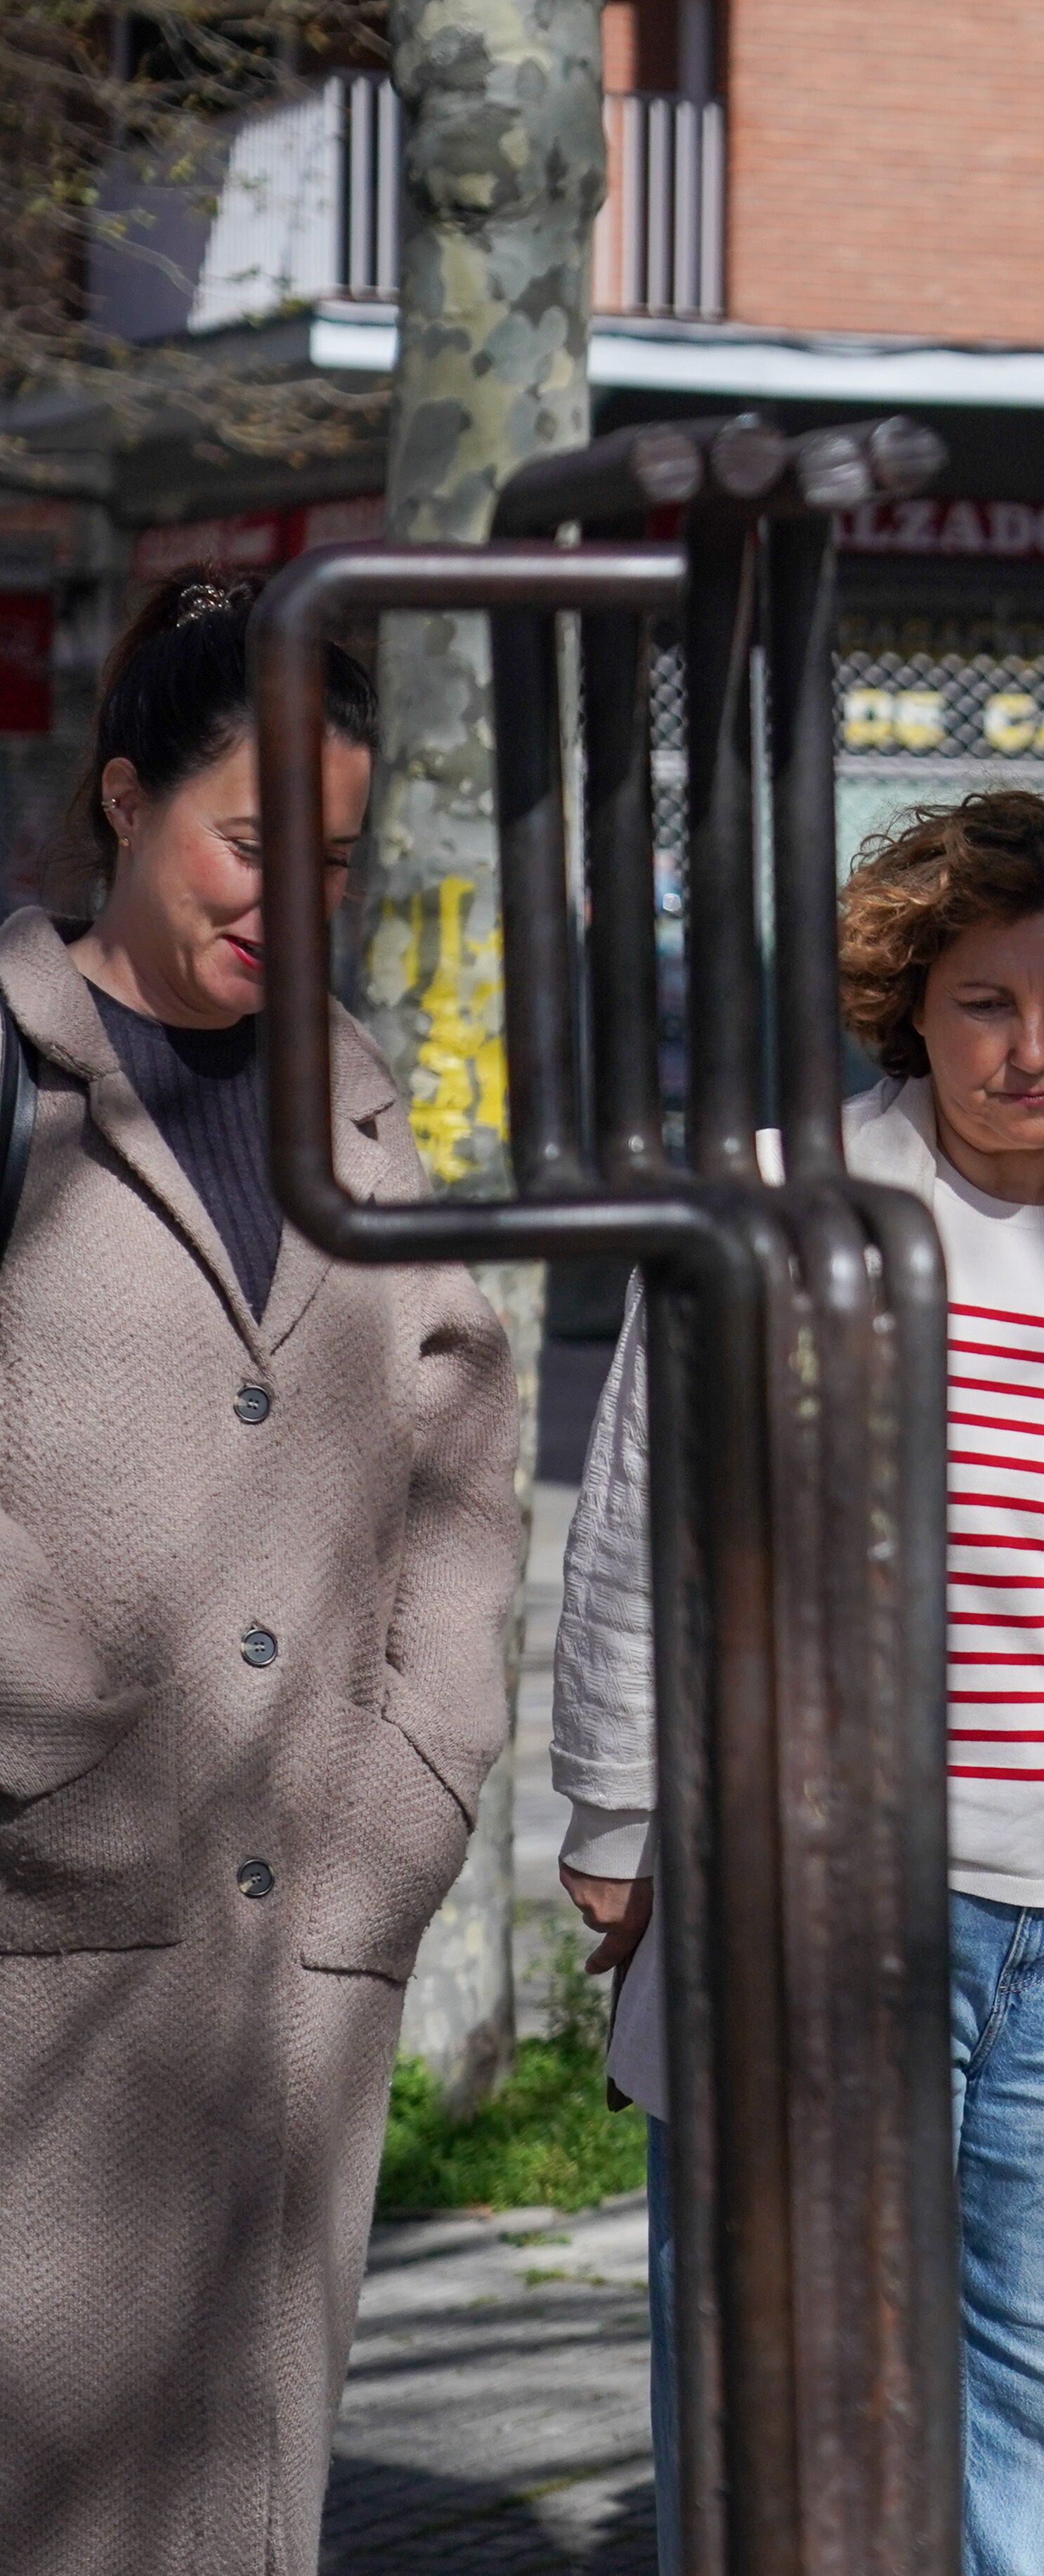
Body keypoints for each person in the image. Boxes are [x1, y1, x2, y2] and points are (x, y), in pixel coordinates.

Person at [552, 787, 1044, 2575]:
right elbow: (641, 1519)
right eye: (986, 1001)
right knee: (799, 2393)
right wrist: (614, 1808)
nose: (1032, 1047)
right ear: (914, 1002)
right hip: (832, 1898)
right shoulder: (779, 1209)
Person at [0, 580, 521, 2576]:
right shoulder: (12, 1069)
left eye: (329, 860)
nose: (287, 907)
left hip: (296, 1939)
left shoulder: (359, 1114)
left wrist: (413, 1793)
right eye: (247, 846)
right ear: (123, 800)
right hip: (39, 1925)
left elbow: (464, 1468)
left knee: (244, 2495)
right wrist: (61, 1767)